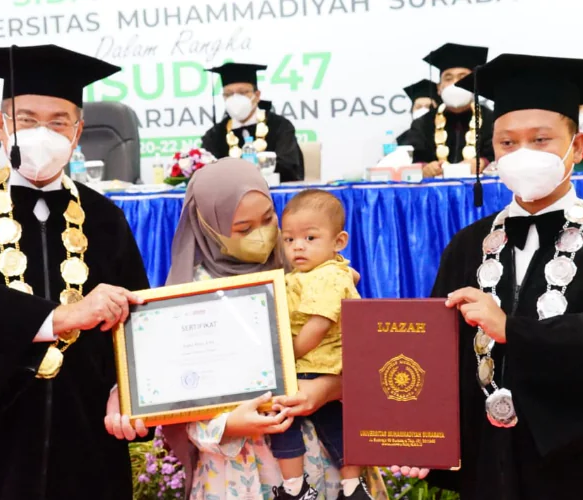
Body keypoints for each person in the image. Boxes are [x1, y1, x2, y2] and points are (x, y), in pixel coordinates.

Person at [395, 53, 583, 499]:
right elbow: (438, 352)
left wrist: (513, 332)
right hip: (491, 460)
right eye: (507, 143)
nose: (522, 154)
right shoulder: (467, 245)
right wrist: (423, 434)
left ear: (576, 148)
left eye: (541, 140)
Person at [0, 43, 150, 500]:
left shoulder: (103, 218)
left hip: (87, 432)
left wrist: (128, 389)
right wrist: (60, 318)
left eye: (58, 122)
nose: (43, 133)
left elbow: (138, 316)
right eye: (26, 119)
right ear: (2, 126)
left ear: (77, 134)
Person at [105, 160, 387, 500]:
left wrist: (326, 389)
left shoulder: (316, 270)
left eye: (269, 219)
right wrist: (229, 424)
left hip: (324, 462)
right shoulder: (191, 297)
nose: (264, 234)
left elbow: (360, 358)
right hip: (239, 473)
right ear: (210, 228)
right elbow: (178, 394)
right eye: (243, 228)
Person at [269, 189, 366, 500]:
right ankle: (348, 488)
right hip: (315, 366)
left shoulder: (328, 277)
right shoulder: (305, 275)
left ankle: (297, 487)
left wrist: (285, 356)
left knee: (285, 422)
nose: (298, 246)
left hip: (317, 365)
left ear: (338, 242)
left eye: (310, 238)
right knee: (334, 425)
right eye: (289, 240)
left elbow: (316, 326)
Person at [201, 63, 305, 182]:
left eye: (242, 92)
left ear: (257, 95)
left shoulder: (280, 126)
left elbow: (289, 166)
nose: (235, 98)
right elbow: (208, 174)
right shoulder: (215, 134)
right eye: (228, 94)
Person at [408, 43, 494, 178]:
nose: (455, 83)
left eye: (462, 77)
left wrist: (483, 163)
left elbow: (500, 156)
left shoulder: (492, 119)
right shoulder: (422, 123)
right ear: (439, 88)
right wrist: (425, 168)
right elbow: (414, 158)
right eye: (448, 78)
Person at [397, 79, 438, 147]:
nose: (424, 110)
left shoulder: (449, 134)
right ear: (412, 111)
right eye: (419, 107)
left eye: (429, 107)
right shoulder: (402, 139)